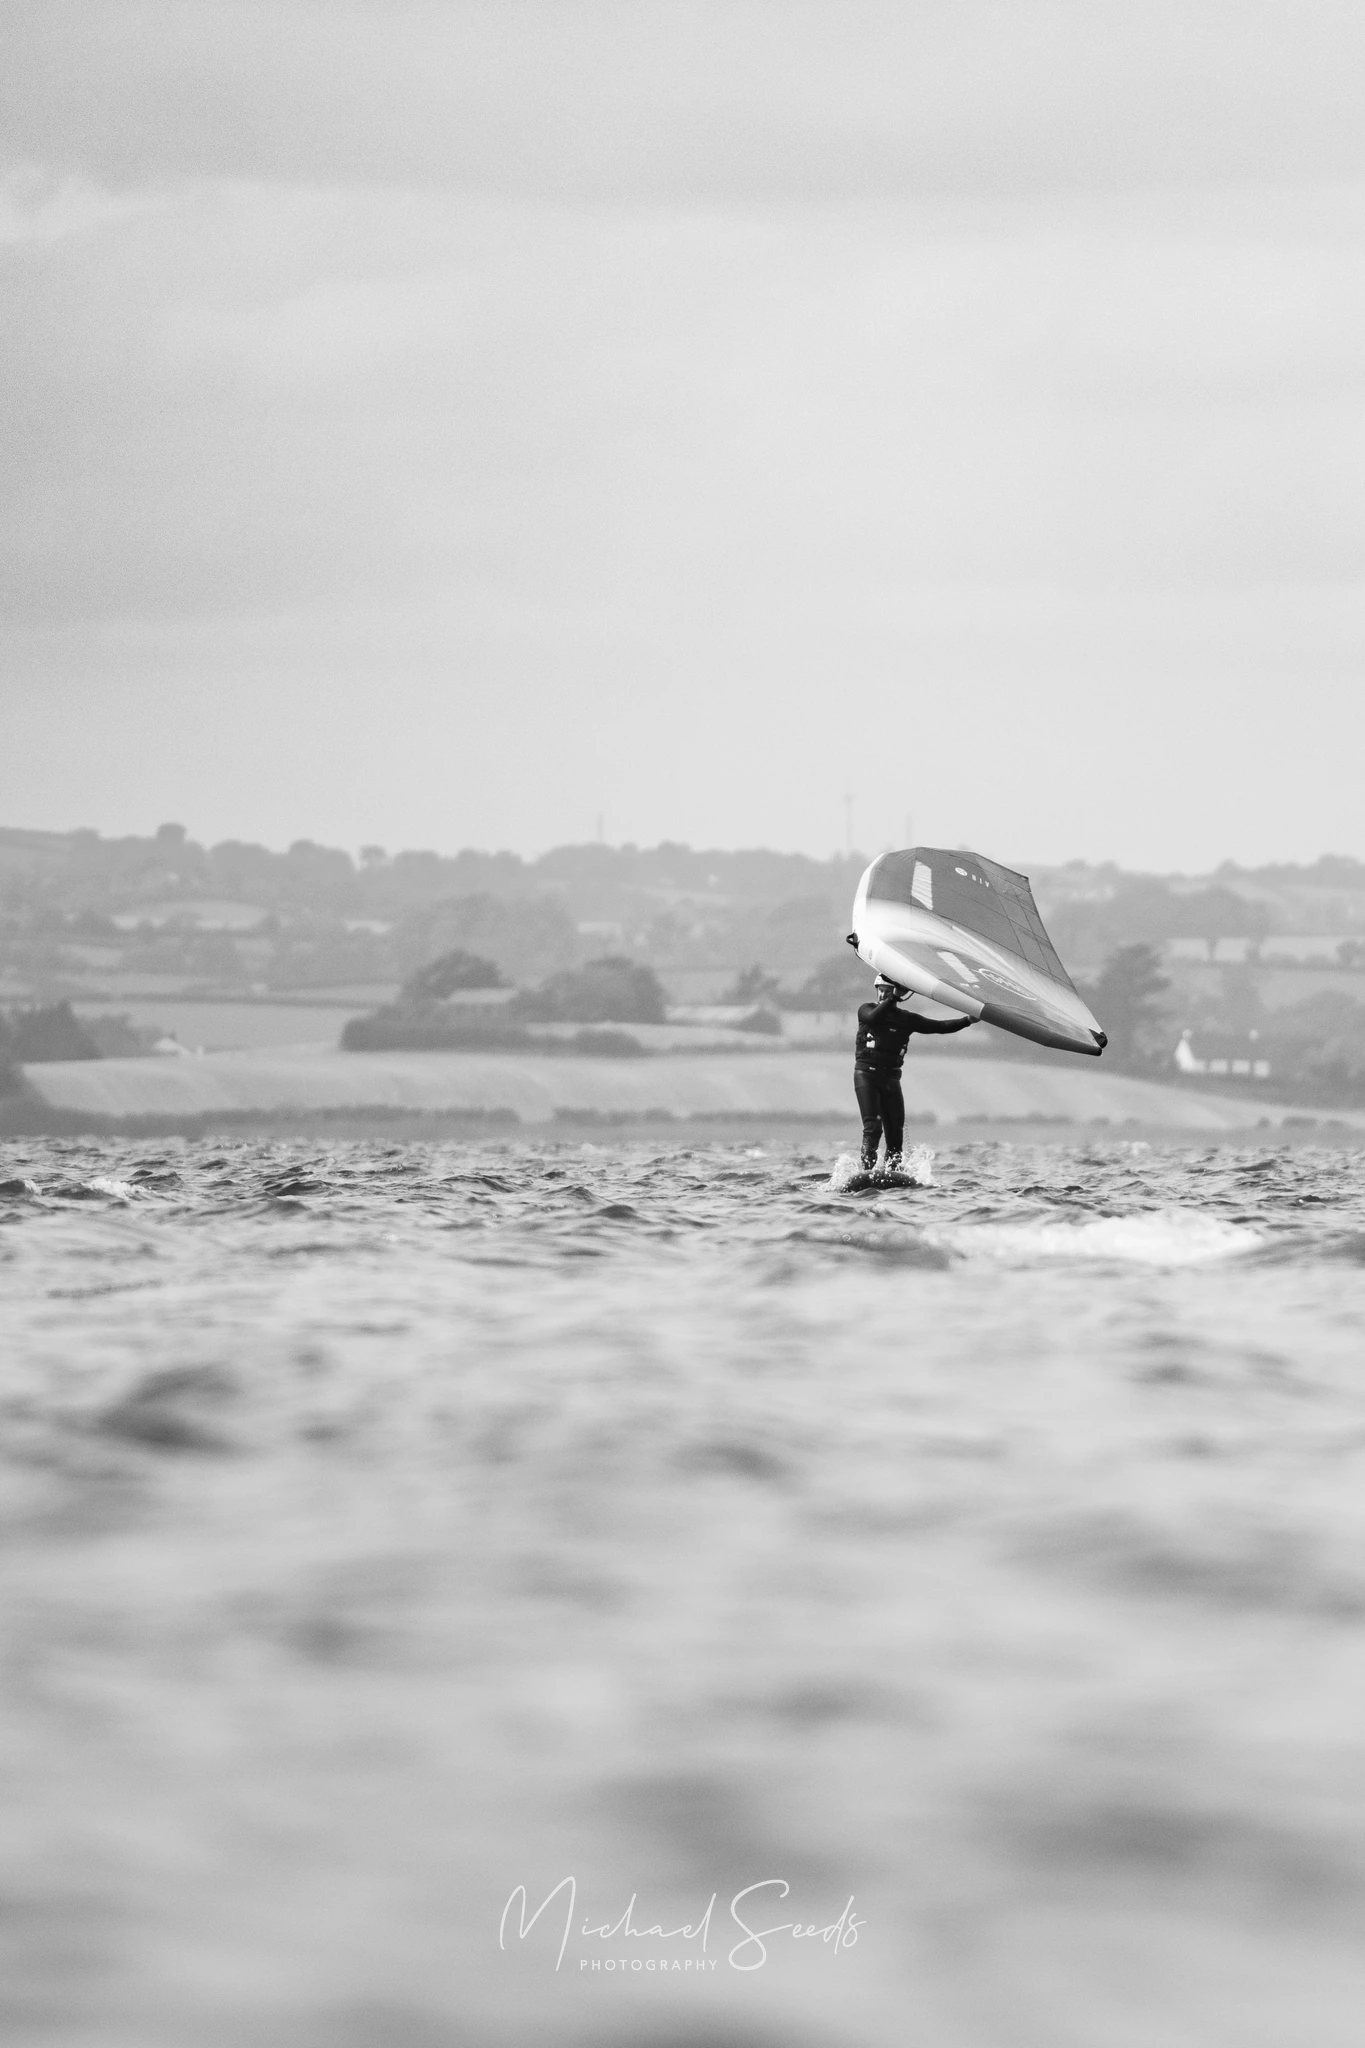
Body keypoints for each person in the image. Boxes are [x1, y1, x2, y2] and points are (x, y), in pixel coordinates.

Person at [855, 973, 973, 1172]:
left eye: (887, 991)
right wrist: (894, 996)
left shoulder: (906, 1019)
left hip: (891, 1079)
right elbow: (874, 1018)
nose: (883, 995)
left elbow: (940, 1027)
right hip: (867, 1075)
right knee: (873, 1127)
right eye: (881, 991)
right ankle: (866, 1172)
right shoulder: (867, 1011)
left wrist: (968, 1020)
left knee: (895, 1132)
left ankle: (892, 1171)